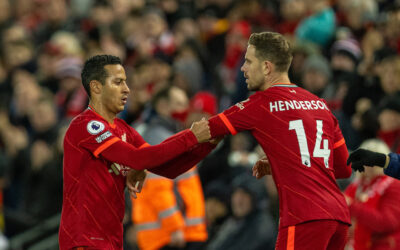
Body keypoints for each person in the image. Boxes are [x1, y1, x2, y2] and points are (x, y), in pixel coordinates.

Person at [206, 32, 352, 249]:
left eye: (247, 62)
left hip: (305, 214)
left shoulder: (263, 104)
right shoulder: (321, 105)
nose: (243, 69)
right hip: (338, 215)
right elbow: (344, 169)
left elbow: (209, 130)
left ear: (266, 67)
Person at [59, 55, 215, 250]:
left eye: (125, 82)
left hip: (111, 241)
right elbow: (137, 158)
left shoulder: (124, 130)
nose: (127, 89)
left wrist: (206, 145)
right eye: (118, 82)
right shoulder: (87, 126)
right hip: (84, 241)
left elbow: (168, 168)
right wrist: (191, 136)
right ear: (96, 87)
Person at [130, 86, 207, 250]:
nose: (185, 109)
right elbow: (158, 189)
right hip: (169, 236)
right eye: (179, 104)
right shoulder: (160, 139)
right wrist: (174, 227)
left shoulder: (165, 135)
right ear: (163, 106)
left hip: (174, 233)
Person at [344, 139, 400, 250]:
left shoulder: (394, 184)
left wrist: (352, 206)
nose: (368, 166)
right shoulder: (357, 184)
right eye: (364, 160)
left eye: (370, 162)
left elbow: (387, 222)